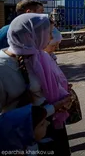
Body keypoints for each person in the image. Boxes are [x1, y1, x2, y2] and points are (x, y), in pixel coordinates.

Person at [0, 13, 72, 155]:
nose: (51, 38)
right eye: (49, 33)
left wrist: (62, 94)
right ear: (30, 35)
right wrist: (51, 108)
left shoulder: (41, 56)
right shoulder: (3, 67)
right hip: (19, 139)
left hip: (48, 128)